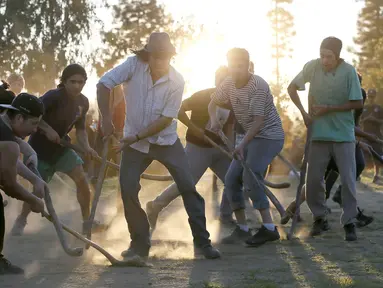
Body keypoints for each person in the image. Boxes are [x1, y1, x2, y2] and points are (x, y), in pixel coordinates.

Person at [97, 32, 220, 260]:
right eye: (157, 57)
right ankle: (139, 244)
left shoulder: (177, 81)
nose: (162, 62)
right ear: (148, 56)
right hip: (134, 144)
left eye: (167, 57)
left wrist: (134, 137)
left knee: (188, 187)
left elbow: (165, 120)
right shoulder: (132, 65)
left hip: (166, 141)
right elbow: (103, 84)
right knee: (128, 188)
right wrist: (106, 119)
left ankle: (203, 243)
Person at [11, 64, 104, 236]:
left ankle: (86, 222)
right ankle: (22, 218)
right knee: (38, 191)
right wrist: (47, 129)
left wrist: (87, 147)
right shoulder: (52, 97)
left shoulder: (83, 102)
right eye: (73, 82)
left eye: (81, 82)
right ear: (64, 82)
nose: (77, 86)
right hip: (39, 151)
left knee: (82, 181)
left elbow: (81, 130)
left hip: (62, 150)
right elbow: (33, 117)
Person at [287, 37, 363, 241]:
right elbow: (291, 87)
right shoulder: (313, 67)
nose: (324, 60)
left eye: (329, 56)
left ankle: (349, 222)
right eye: (322, 55)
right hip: (318, 133)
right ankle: (320, 218)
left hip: (343, 135)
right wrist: (303, 113)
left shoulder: (349, 72)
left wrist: (329, 109)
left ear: (337, 56)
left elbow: (357, 102)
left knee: (348, 179)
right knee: (312, 181)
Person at [209, 48, 285, 247]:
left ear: (248, 65)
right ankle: (242, 229)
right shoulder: (227, 83)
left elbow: (258, 122)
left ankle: (269, 229)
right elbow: (212, 103)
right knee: (231, 179)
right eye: (232, 66)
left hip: (268, 137)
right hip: (248, 137)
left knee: (250, 177)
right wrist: (214, 121)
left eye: (240, 66)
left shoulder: (258, 85)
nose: (236, 70)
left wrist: (241, 145)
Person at [145, 66, 235, 230]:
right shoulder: (202, 96)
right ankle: (155, 206)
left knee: (233, 179)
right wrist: (194, 128)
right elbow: (178, 110)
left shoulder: (233, 102)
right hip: (198, 147)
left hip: (219, 149)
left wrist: (232, 150)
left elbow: (229, 129)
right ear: (215, 81)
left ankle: (226, 216)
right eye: (219, 79)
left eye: (226, 80)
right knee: (187, 182)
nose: (222, 84)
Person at [282, 73, 374, 228]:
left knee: (355, 167)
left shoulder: (360, 96)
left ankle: (349, 209)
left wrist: (358, 141)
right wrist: (367, 136)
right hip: (325, 142)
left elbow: (353, 123)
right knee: (317, 182)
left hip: (344, 142)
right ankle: (295, 208)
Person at [0, 93, 46, 274]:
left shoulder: (4, 131)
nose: (35, 130)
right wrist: (34, 200)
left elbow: (7, 161)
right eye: (34, 123)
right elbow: (8, 184)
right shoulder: (8, 141)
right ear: (19, 117)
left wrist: (35, 179)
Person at [360, 88, 383, 184]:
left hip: (376, 135)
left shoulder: (379, 108)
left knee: (376, 155)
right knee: (361, 155)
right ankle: (359, 174)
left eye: (372, 97)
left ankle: (376, 175)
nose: (371, 99)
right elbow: (359, 121)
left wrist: (375, 120)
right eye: (369, 97)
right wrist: (366, 119)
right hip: (365, 134)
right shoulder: (363, 108)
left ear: (375, 97)